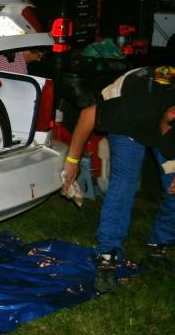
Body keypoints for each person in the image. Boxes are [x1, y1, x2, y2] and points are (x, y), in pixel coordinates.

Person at [61, 65, 175, 292]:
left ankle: (158, 245)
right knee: (124, 183)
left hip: (159, 113)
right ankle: (107, 254)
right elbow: (88, 115)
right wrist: (72, 162)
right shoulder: (133, 107)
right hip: (130, 119)